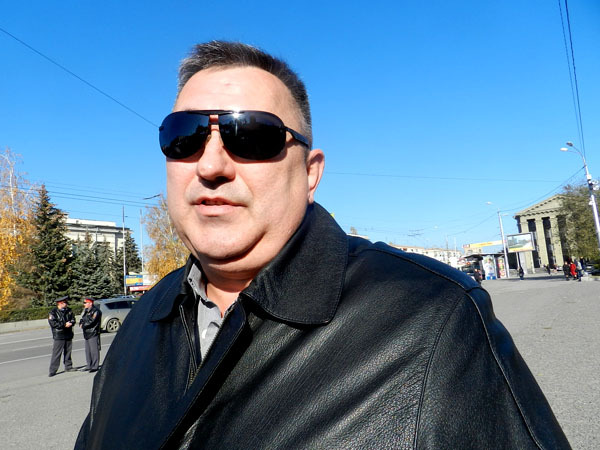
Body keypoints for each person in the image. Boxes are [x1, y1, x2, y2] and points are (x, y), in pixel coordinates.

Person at [76, 41, 569, 449]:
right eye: (184, 136)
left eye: (252, 135)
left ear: (311, 174)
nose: (210, 165)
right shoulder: (142, 321)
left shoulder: (433, 318)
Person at [48, 295, 76, 377]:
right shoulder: (53, 312)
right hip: (59, 335)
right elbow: (53, 323)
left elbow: (73, 319)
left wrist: (71, 323)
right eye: (65, 302)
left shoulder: (69, 310)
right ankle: (53, 370)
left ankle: (68, 366)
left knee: (68, 352)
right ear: (60, 303)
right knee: (56, 353)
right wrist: (64, 324)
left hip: (68, 334)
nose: (66, 304)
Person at [79, 298, 102, 372]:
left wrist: (83, 325)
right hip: (86, 333)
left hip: (93, 332)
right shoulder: (86, 310)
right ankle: (89, 365)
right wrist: (80, 323)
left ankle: (95, 366)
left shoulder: (96, 311)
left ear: (90, 303)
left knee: (94, 350)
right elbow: (82, 319)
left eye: (85, 303)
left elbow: (92, 321)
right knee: (88, 351)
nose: (84, 304)